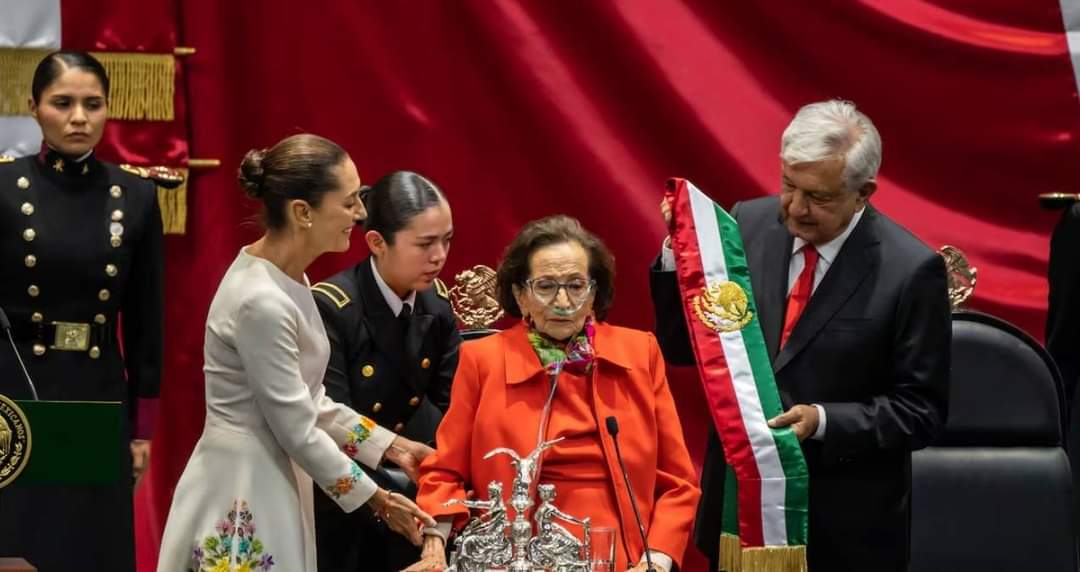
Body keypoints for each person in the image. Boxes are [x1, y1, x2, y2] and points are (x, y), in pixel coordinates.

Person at [650, 99, 951, 571]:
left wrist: (824, 420)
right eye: (788, 185)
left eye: (818, 197)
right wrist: (679, 254)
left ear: (863, 193)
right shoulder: (745, 226)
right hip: (737, 520)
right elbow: (684, 351)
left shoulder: (911, 270)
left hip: (842, 530)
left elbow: (922, 411)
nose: (794, 207)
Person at [156, 134, 435, 572]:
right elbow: (297, 429)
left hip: (274, 474)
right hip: (244, 484)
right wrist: (379, 501)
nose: (360, 214)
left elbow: (307, 399)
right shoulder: (260, 300)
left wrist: (392, 447)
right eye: (348, 203)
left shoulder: (287, 280)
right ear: (302, 212)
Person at [406, 215, 701, 572]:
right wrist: (435, 543)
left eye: (576, 286)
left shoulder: (640, 353)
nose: (563, 302)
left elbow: (678, 483)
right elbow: (445, 473)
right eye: (546, 286)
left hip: (622, 555)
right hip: (516, 555)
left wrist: (656, 559)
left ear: (594, 293)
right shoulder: (483, 360)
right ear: (520, 294)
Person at [0, 50, 167, 571]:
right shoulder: (3, 188)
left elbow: (145, 321)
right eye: (63, 103)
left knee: (89, 545)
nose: (79, 117)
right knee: (16, 542)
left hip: (93, 391)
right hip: (14, 387)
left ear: (108, 108)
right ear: (34, 108)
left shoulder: (135, 196)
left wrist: (142, 429)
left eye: (92, 104)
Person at [311, 170, 460, 572]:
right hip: (343, 491)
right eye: (425, 244)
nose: (439, 256)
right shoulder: (332, 307)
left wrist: (439, 491)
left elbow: (451, 412)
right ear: (377, 242)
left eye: (446, 240)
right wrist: (379, 496)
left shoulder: (437, 306)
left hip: (415, 486)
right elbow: (327, 421)